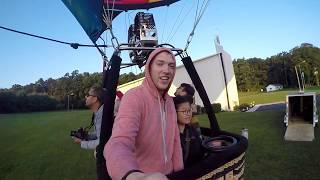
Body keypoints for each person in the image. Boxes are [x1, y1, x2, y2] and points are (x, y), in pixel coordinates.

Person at [104, 48, 183, 180]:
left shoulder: (169, 101)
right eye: (160, 63)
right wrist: (132, 175)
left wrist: (180, 172)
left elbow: (175, 142)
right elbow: (119, 142)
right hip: (143, 175)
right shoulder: (134, 97)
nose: (167, 70)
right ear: (149, 68)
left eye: (171, 66)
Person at [173, 95, 204, 168]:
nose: (188, 114)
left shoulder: (192, 130)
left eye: (189, 110)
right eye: (184, 111)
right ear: (174, 112)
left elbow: (201, 151)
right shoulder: (170, 135)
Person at [73, 86, 104, 150]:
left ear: (95, 99)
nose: (86, 97)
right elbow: (100, 134)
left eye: (88, 95)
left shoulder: (103, 115)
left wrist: (82, 142)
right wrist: (87, 136)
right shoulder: (99, 112)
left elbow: (103, 143)